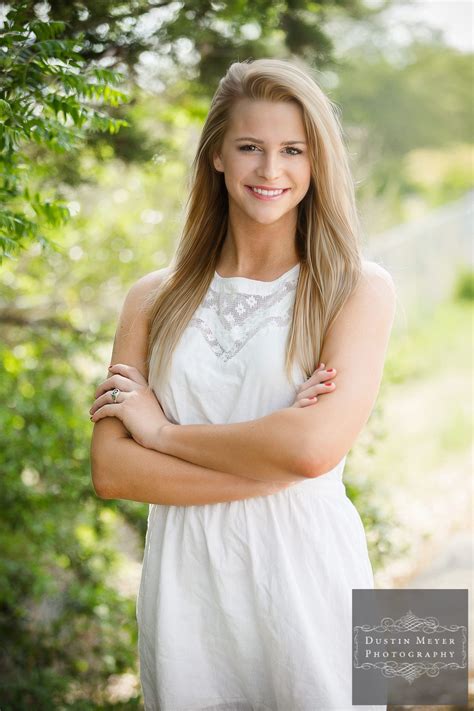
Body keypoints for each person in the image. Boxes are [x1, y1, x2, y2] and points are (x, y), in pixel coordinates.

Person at [89, 58, 395, 710]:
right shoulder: (151, 298)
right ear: (217, 158)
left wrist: (161, 432)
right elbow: (114, 470)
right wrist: (274, 456)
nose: (270, 170)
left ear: (318, 164)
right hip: (189, 591)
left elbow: (314, 450)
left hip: (310, 575)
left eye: (293, 150)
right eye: (250, 147)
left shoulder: (357, 287)